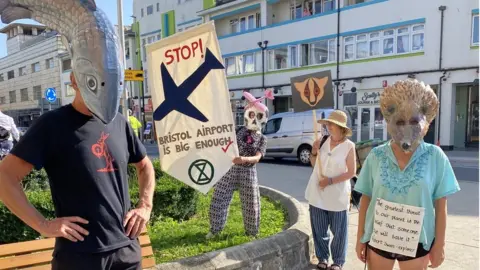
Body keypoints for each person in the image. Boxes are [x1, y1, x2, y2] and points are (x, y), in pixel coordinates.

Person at [0, 72, 156, 270]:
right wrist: (43, 225)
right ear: (74, 79)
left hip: (126, 252)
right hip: (78, 258)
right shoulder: (51, 125)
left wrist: (145, 206)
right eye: (92, 78)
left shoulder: (118, 122)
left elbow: (145, 166)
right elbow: (4, 177)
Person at [354, 79, 460, 270]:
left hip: (418, 242)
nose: (406, 128)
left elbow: (441, 205)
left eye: (413, 121)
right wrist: (361, 237)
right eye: (400, 122)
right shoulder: (376, 156)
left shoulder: (435, 157)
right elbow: (366, 199)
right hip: (379, 239)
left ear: (425, 121)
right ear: (389, 121)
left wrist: (440, 245)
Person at [207, 90, 270, 239]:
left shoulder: (262, 138)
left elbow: (258, 157)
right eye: (251, 113)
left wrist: (244, 159)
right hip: (230, 169)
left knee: (251, 202)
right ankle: (215, 229)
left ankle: (252, 232)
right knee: (219, 197)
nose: (253, 118)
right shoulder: (237, 131)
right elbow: (224, 141)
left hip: (248, 171)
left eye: (257, 115)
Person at [304, 110, 356, 270]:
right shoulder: (323, 141)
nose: (329, 127)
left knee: (339, 231)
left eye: (332, 124)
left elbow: (351, 172)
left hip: (338, 195)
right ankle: (323, 258)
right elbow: (314, 165)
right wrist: (313, 151)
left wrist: (330, 181)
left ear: (342, 128)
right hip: (318, 192)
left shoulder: (349, 146)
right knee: (319, 229)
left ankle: (338, 261)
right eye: (329, 124)